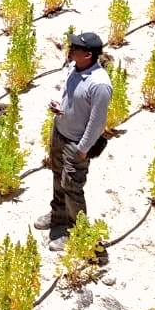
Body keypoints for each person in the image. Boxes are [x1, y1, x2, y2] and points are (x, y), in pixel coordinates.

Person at [37, 32, 112, 252]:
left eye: (75, 48)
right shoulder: (73, 69)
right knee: (57, 176)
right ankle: (58, 214)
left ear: (88, 55)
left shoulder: (100, 84)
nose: (70, 50)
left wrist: (82, 149)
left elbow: (97, 122)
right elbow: (71, 99)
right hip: (60, 132)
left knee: (72, 186)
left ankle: (76, 231)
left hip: (76, 143)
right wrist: (60, 108)